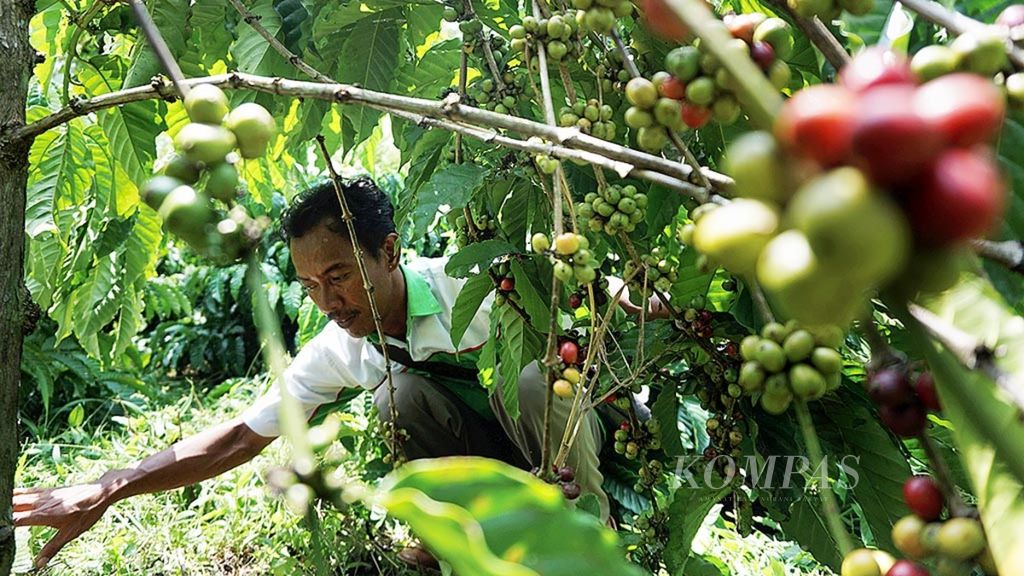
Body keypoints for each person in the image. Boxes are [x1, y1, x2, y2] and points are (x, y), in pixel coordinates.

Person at [15, 177, 650, 570]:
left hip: (579, 437)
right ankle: (467, 542)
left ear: (390, 253)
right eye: (311, 285)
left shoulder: (474, 285)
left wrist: (635, 297)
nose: (327, 300)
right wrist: (111, 484)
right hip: (501, 460)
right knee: (396, 396)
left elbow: (587, 289)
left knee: (536, 377)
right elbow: (242, 434)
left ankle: (593, 541)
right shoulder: (343, 344)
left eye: (339, 275)